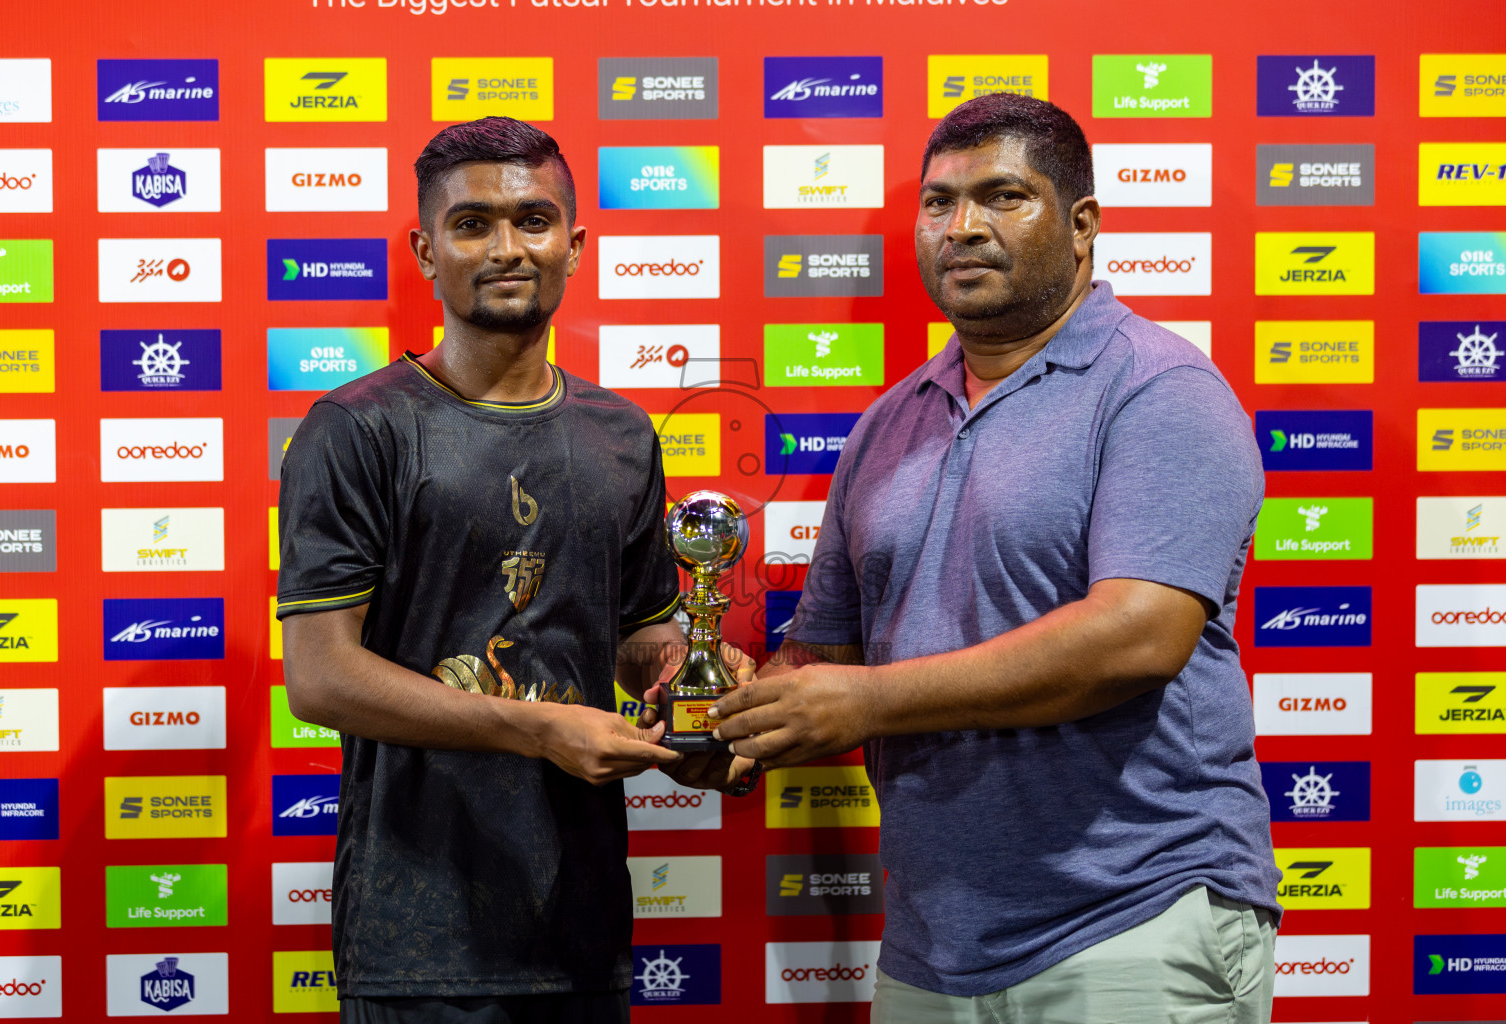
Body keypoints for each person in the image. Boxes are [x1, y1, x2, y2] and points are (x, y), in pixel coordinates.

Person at [706, 94, 1281, 1023]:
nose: (962, 227)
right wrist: (730, 722)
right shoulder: (889, 422)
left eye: (1003, 197)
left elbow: (1138, 637)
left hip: (1132, 923)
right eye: (938, 203)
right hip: (934, 947)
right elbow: (828, 659)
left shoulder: (1160, 389)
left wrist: (867, 702)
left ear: (1083, 224)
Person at [277, 117, 749, 1024]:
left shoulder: (620, 435)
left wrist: (693, 692)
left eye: (533, 221)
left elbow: (639, 632)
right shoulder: (358, 429)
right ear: (425, 249)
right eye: (472, 224)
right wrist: (538, 730)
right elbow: (321, 677)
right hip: (418, 939)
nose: (507, 248)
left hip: (583, 928)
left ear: (575, 245)